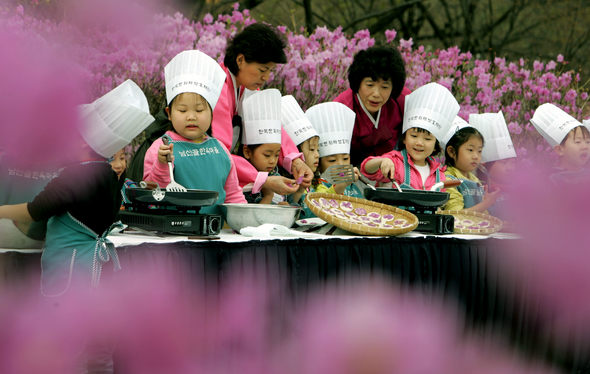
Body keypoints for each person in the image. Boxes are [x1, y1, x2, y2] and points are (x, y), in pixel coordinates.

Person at [0, 79, 154, 295]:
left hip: (70, 269)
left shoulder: (74, 177)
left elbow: (34, 211)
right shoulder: (109, 175)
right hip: (94, 266)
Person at [211, 23, 312, 198]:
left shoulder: (246, 88)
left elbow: (272, 129)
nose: (266, 77)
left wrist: (295, 161)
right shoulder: (218, 86)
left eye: (270, 71)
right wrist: (261, 179)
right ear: (240, 60)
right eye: (262, 70)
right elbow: (219, 154)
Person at [143, 50, 247, 214]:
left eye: (199, 110)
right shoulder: (160, 148)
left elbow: (233, 196)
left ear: (212, 113)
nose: (191, 117)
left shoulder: (220, 150)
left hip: (216, 235)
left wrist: (244, 220)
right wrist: (162, 165)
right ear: (169, 114)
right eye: (183, 111)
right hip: (172, 235)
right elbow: (153, 194)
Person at [360, 82, 458, 190]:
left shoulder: (439, 175)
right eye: (414, 136)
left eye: (427, 138)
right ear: (404, 139)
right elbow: (366, 168)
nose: (419, 142)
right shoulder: (395, 162)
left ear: (435, 145)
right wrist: (381, 161)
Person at [333, 46, 410, 166]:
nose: (376, 94)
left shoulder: (403, 100)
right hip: (353, 171)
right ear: (358, 83)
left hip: (394, 167)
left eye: (384, 87)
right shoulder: (341, 108)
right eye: (370, 85)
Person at [239, 89, 292, 204]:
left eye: (277, 154)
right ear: (247, 152)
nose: (273, 161)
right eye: (267, 155)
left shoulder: (276, 175)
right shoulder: (242, 182)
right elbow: (250, 217)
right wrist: (268, 196)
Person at [305, 102, 363, 198]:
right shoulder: (313, 186)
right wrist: (340, 186)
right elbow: (316, 207)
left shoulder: (352, 187)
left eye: (345, 158)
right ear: (318, 164)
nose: (341, 164)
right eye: (332, 160)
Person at [442, 120, 500, 212]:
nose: (476, 156)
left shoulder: (475, 180)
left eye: (479, 151)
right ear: (452, 152)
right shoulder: (448, 180)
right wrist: (486, 203)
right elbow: (456, 216)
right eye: (470, 150)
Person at [469, 111, 518, 220]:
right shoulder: (472, 191)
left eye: (513, 162)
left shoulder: (519, 193)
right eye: (504, 162)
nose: (511, 168)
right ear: (483, 164)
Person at [530, 103, 590, 184]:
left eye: (588, 142)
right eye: (578, 142)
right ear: (560, 149)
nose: (585, 147)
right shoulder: (552, 180)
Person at [281, 95, 320, 217]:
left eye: (318, 149)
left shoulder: (318, 183)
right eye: (312, 149)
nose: (317, 155)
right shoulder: (282, 183)